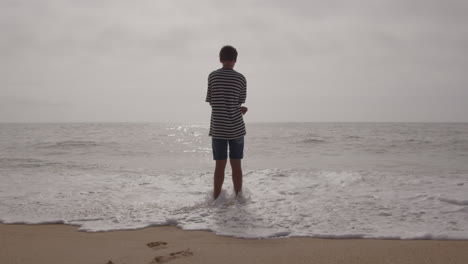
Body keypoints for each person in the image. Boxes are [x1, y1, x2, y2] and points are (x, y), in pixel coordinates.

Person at [206, 45, 248, 200]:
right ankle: (238, 198)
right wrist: (240, 109)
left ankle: (216, 199)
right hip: (236, 127)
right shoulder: (241, 78)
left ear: (220, 59)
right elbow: (237, 103)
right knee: (236, 166)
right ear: (235, 59)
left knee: (219, 167)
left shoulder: (213, 76)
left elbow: (211, 101)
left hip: (218, 127)